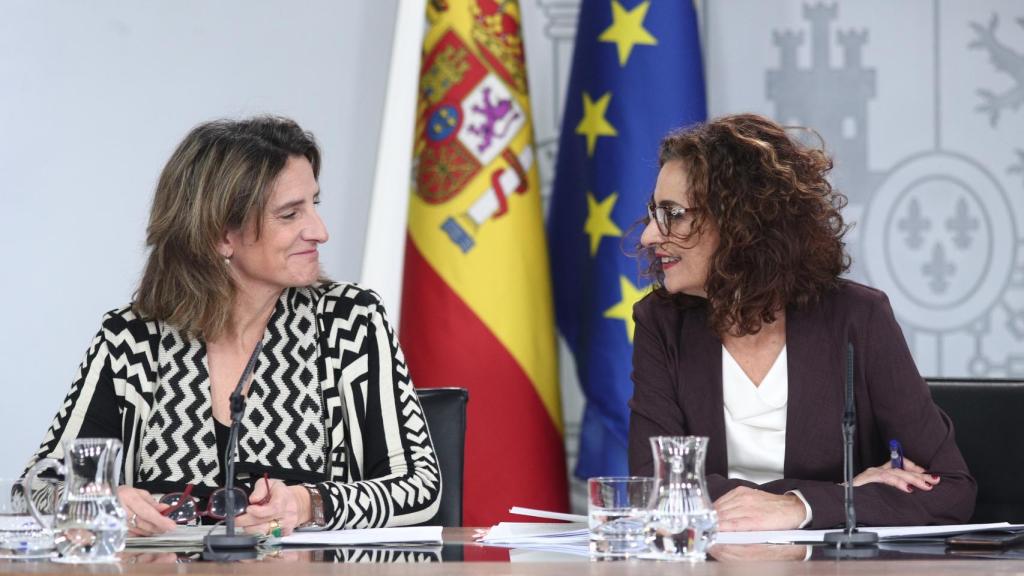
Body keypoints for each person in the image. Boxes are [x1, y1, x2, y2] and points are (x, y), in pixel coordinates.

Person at [23, 116, 440, 536]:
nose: (319, 230)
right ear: (222, 235)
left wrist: (307, 503)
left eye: (315, 204)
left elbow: (420, 487)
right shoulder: (132, 339)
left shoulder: (349, 321)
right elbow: (36, 488)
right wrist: (99, 500)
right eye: (290, 214)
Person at [628, 113, 976, 530]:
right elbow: (654, 484)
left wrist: (799, 508)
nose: (649, 235)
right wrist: (840, 494)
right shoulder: (661, 321)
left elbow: (951, 489)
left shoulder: (858, 318)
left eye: (673, 213)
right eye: (654, 213)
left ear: (742, 221)